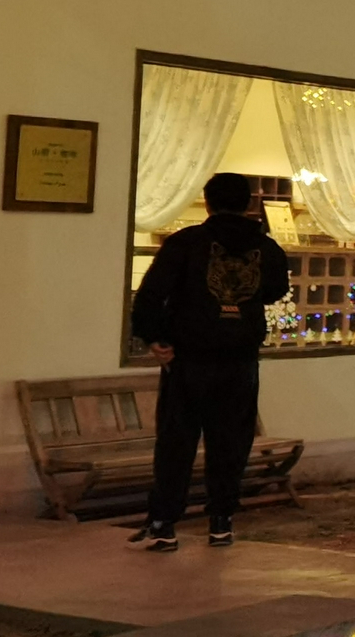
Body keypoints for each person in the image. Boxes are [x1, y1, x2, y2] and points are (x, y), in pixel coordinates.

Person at [126, 172, 290, 553]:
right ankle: (221, 522)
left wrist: (155, 338)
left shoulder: (185, 243)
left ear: (207, 200)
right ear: (249, 202)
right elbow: (275, 289)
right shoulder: (266, 248)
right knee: (231, 441)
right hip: (241, 360)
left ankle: (165, 524)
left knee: (177, 441)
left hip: (190, 358)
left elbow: (150, 294)